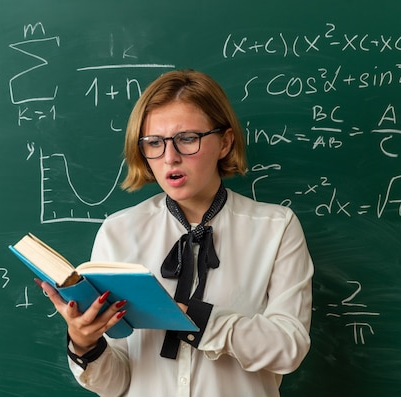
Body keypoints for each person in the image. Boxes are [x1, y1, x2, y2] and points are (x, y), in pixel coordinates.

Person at [38, 69, 313, 397]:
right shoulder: (119, 231)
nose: (170, 157)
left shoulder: (276, 227)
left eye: (187, 139)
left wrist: (197, 319)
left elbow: (289, 348)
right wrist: (84, 343)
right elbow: (115, 384)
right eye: (154, 142)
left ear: (224, 142)